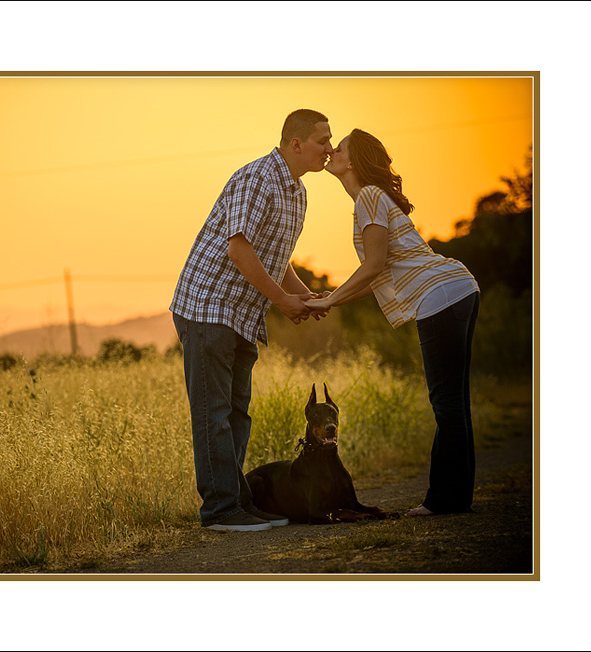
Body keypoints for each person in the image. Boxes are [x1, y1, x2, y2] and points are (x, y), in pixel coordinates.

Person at [170, 109, 333, 532]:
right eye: (322, 141)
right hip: (208, 308)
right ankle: (221, 511)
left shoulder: (297, 193)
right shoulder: (256, 179)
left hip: (242, 316)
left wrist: (303, 297)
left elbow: (273, 261)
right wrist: (282, 302)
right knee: (213, 414)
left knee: (238, 413)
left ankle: (236, 502)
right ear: (295, 144)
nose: (329, 150)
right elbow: (239, 252)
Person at [304, 128, 480, 516]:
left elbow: (373, 267)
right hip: (457, 290)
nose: (332, 150)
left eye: (341, 146)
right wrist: (331, 297)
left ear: (354, 161)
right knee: (454, 403)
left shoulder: (368, 196)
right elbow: (376, 276)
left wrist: (331, 299)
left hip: (441, 296)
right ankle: (457, 498)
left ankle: (442, 501)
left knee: (447, 404)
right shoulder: (372, 199)